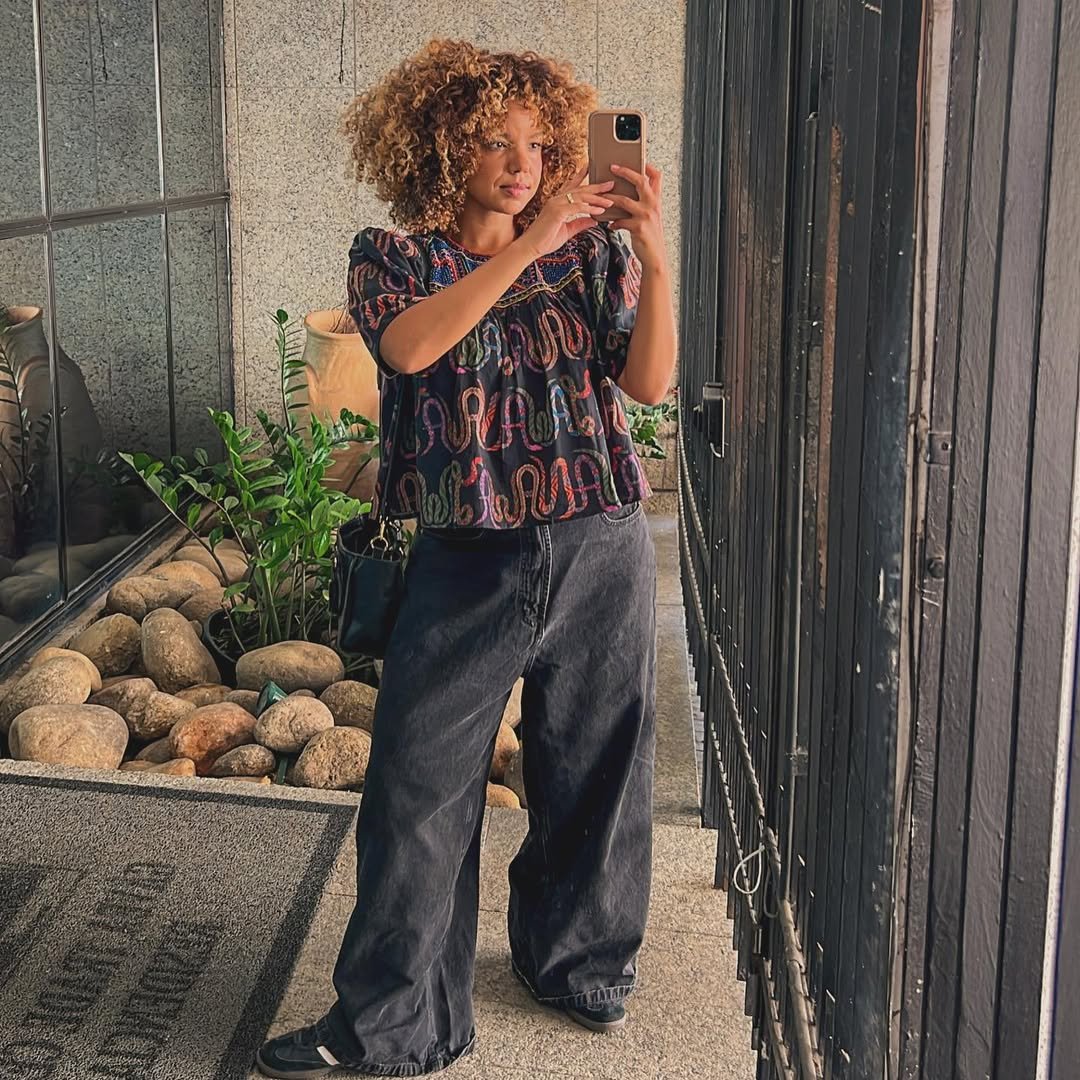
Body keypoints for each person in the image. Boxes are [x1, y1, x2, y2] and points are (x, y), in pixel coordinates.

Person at [256, 37, 676, 1079]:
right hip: (468, 555)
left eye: (537, 141)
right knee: (416, 785)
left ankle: (580, 966)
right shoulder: (393, 256)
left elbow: (651, 386)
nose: (522, 160)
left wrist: (653, 255)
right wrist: (523, 248)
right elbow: (408, 350)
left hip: (600, 541)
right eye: (494, 140)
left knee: (596, 766)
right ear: (440, 147)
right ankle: (396, 1025)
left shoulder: (591, 252)